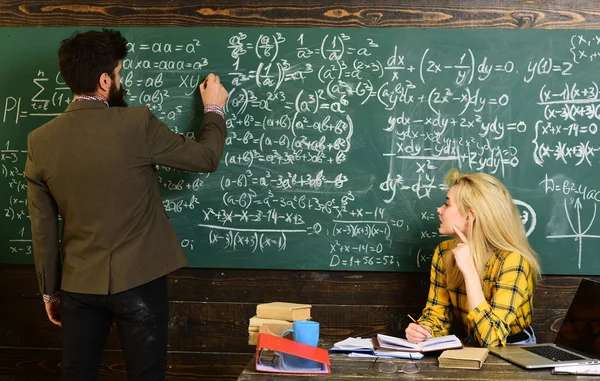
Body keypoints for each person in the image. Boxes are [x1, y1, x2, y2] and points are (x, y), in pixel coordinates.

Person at [24, 29, 228, 380]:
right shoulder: (137, 123)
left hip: (78, 286)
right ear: (104, 81)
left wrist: (49, 293)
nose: (121, 81)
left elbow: (42, 229)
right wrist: (213, 108)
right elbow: (206, 156)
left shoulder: (39, 141)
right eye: (118, 75)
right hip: (140, 281)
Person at [405, 168, 542, 347]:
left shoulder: (513, 261)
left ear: (470, 217)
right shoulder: (444, 253)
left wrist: (469, 271)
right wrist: (423, 332)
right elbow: (437, 316)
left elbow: (491, 338)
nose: (439, 210)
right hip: (472, 343)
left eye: (447, 204)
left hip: (514, 347)